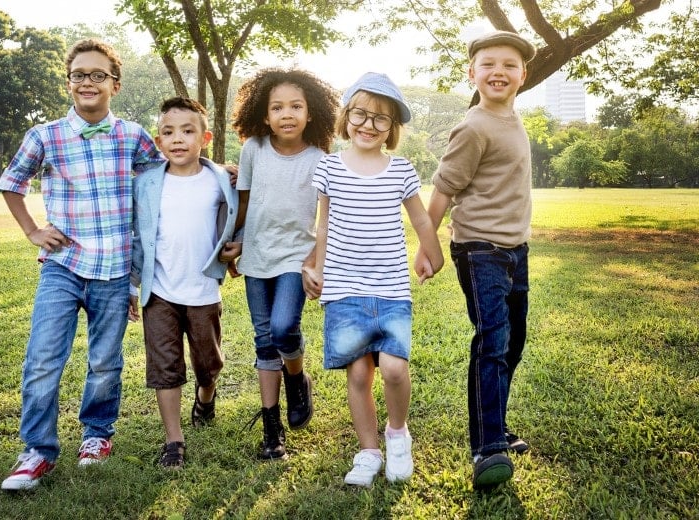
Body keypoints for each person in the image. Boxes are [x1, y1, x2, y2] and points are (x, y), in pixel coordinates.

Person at [0, 38, 164, 491]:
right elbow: (12, 182)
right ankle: (36, 450)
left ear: (115, 83)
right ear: (68, 82)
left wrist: (217, 171)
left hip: (114, 269)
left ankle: (96, 436)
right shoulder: (44, 135)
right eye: (78, 75)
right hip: (63, 264)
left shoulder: (133, 135)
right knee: (43, 358)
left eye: (97, 75)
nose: (86, 82)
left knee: (105, 361)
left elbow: (167, 174)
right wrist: (33, 230)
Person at [302, 72, 444, 486]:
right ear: (346, 118)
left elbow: (418, 216)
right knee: (360, 374)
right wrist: (315, 267)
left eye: (380, 119)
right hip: (344, 287)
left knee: (395, 368)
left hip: (391, 287)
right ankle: (367, 451)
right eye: (360, 114)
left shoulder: (399, 169)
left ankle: (397, 434)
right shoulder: (329, 167)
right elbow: (322, 225)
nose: (368, 125)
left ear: (392, 129)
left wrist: (431, 250)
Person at [417, 30, 537, 489]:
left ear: (522, 76)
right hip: (480, 249)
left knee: (513, 343)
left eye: (509, 65)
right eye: (488, 64)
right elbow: (444, 189)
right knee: (492, 340)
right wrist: (427, 248)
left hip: (515, 250)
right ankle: (487, 447)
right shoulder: (473, 125)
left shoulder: (511, 118)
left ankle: (497, 423)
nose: (498, 72)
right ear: (472, 73)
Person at [222, 68, 339, 460]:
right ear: (264, 113)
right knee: (263, 339)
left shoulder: (321, 159)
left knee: (284, 327)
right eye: (277, 107)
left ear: (311, 113)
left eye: (295, 106)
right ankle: (272, 431)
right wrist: (234, 242)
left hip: (296, 256)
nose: (286, 114)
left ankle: (297, 379)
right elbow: (244, 202)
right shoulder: (254, 149)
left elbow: (328, 217)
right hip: (256, 255)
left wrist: (317, 259)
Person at [128, 97, 237, 470]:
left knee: (208, 363)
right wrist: (133, 285)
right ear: (159, 142)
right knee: (165, 366)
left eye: (188, 131)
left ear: (204, 137)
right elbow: (137, 237)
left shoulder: (220, 180)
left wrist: (236, 249)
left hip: (203, 289)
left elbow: (239, 218)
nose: (178, 139)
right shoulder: (145, 184)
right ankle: (174, 440)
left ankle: (206, 397)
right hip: (159, 290)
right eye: (169, 133)